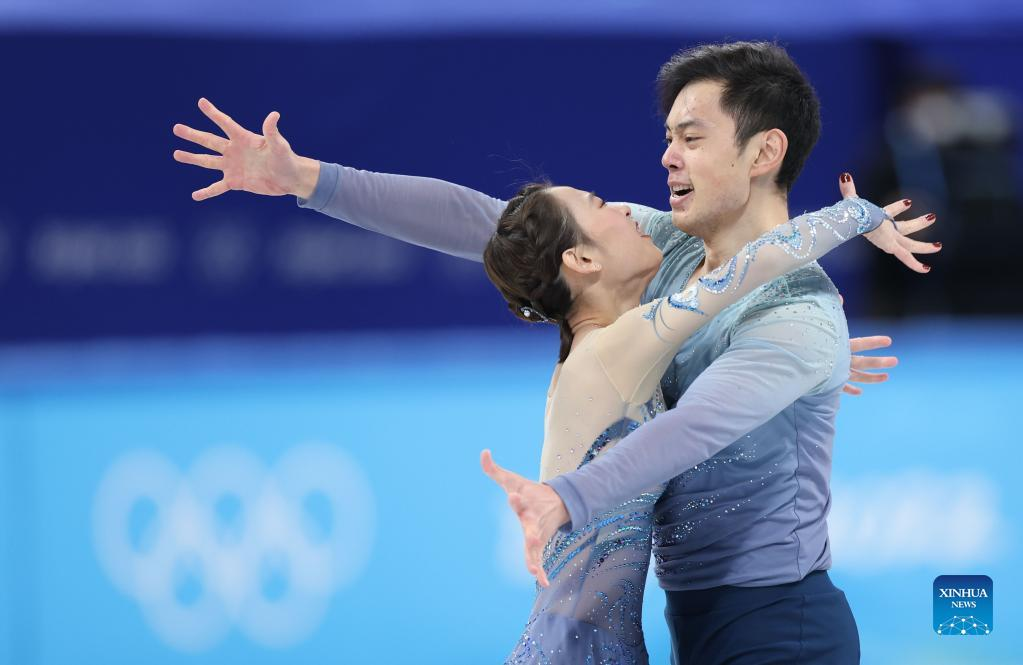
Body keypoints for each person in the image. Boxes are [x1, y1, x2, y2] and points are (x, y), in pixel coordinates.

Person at [171, 41, 940, 662]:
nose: (666, 158)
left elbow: (699, 422)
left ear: (763, 150)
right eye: (667, 137)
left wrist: (809, 356)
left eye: (691, 137)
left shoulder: (794, 315)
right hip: (671, 624)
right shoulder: (660, 251)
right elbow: (490, 222)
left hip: (776, 625)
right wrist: (306, 177)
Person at [475, 179, 912, 662]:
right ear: (581, 259)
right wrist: (861, 214)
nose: (626, 211)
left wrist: (805, 352)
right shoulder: (615, 347)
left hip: (591, 643)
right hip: (577, 651)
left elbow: (707, 355)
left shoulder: (607, 353)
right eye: (601, 205)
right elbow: (755, 265)